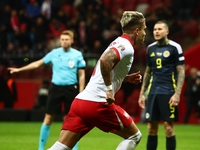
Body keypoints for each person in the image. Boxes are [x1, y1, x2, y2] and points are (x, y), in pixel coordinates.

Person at [48, 11, 146, 150]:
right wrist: (109, 89)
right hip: (97, 104)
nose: (144, 33)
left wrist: (125, 78)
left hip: (81, 102)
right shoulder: (127, 46)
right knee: (134, 136)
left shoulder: (118, 42)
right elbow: (105, 61)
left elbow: (105, 68)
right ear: (137, 31)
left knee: (61, 146)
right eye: (144, 29)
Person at [8, 30, 86, 150]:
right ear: (60, 41)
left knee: (74, 121)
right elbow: (37, 64)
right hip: (56, 88)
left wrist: (81, 91)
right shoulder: (54, 53)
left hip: (72, 89)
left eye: (66, 39)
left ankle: (74, 149)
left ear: (72, 40)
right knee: (48, 118)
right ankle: (41, 148)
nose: (64, 42)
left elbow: (81, 74)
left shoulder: (77, 54)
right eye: (62, 39)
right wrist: (19, 70)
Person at [138, 21, 185, 150]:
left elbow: (181, 72)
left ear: (167, 32)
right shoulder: (150, 48)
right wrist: (142, 93)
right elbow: (148, 72)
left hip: (168, 91)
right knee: (151, 128)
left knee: (168, 128)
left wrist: (177, 94)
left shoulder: (175, 47)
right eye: (154, 29)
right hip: (153, 91)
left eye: (159, 29)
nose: (156, 32)